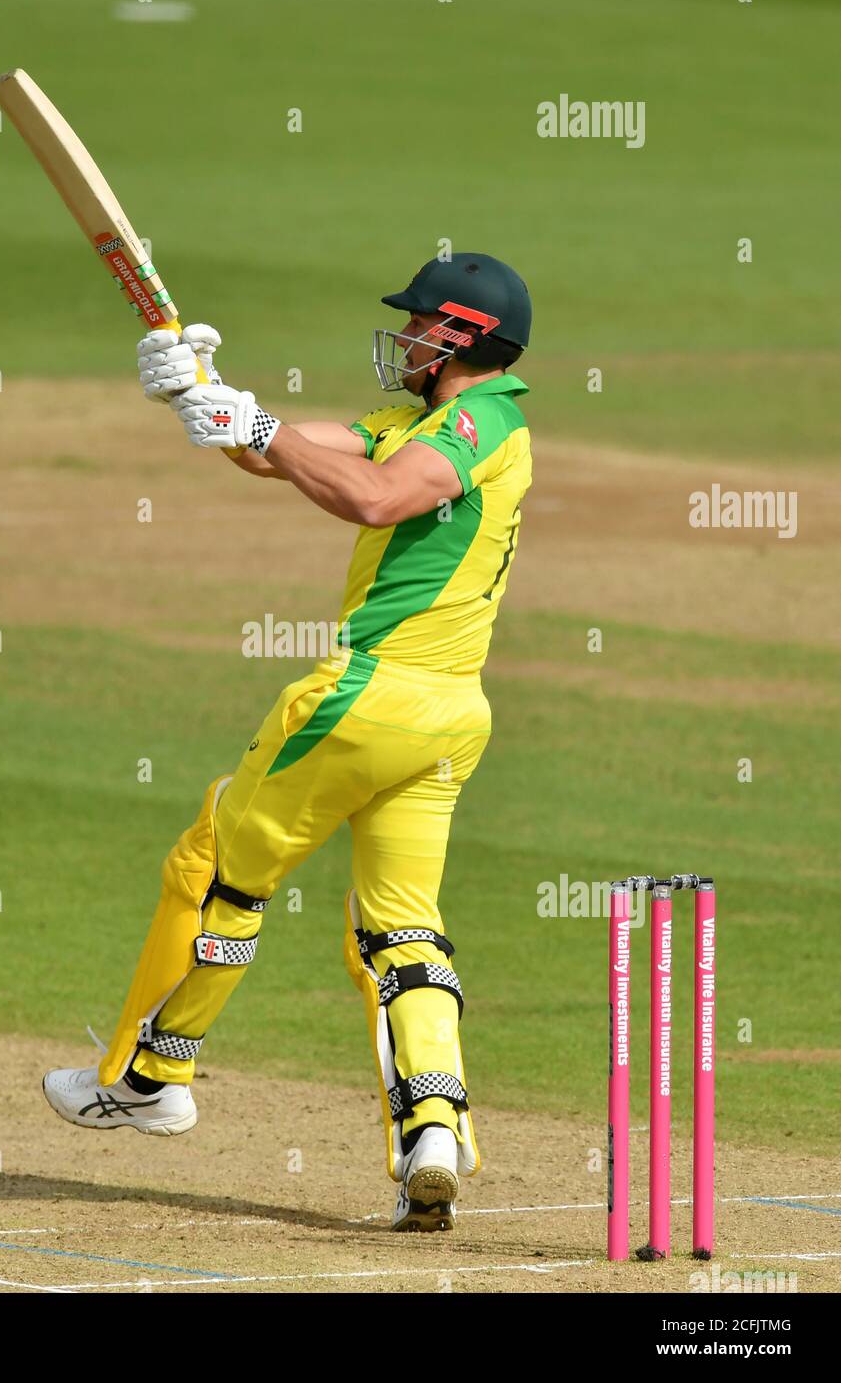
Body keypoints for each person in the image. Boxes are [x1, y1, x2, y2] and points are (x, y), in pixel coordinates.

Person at [42, 253, 534, 1231]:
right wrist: (207, 396)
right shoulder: (411, 421)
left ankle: (150, 1076)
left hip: (363, 699)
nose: (404, 339)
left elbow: (375, 500)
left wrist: (255, 424)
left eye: (421, 325)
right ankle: (433, 1128)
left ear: (464, 337)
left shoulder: (485, 421)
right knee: (399, 924)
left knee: (223, 863)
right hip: (447, 720)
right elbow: (290, 454)